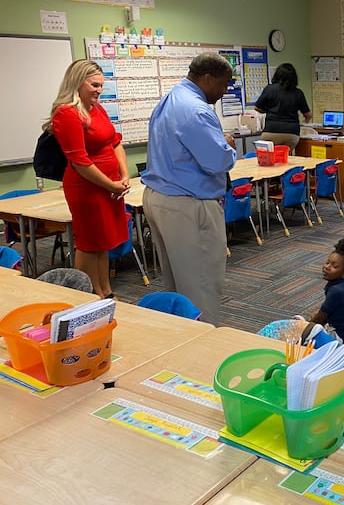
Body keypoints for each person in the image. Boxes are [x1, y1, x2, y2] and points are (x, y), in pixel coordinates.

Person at [142, 52, 237, 326]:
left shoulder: (170, 99)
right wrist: (227, 144)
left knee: (176, 280)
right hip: (187, 204)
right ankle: (202, 343)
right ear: (207, 79)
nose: (223, 91)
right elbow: (216, 161)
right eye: (223, 84)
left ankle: (179, 337)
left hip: (160, 197)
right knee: (201, 283)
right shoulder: (196, 110)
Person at [48, 60, 129, 299]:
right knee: (89, 242)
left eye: (101, 85)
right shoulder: (67, 114)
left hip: (109, 186)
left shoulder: (98, 109)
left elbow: (115, 142)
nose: (98, 90)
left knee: (102, 242)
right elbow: (79, 161)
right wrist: (111, 184)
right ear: (77, 82)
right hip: (87, 188)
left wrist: (123, 175)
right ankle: (87, 296)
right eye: (94, 85)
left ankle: (105, 291)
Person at [306, 237, 344, 348]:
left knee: (303, 332)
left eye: (334, 266)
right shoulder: (339, 285)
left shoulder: (337, 290)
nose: (327, 267)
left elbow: (320, 319)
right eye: (327, 262)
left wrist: (307, 326)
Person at [253, 62, 311, 152]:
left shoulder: (269, 89)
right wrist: (305, 121)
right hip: (291, 133)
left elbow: (257, 108)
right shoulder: (298, 93)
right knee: (285, 158)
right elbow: (308, 115)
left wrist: (268, 110)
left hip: (270, 132)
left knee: (269, 160)